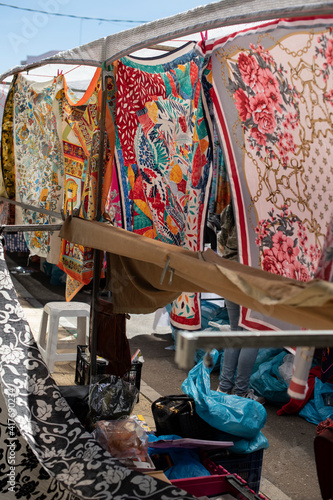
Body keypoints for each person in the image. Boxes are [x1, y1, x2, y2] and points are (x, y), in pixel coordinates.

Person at [216, 202, 265, 404]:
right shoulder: (262, 204)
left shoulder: (233, 204)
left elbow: (222, 237)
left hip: (229, 271)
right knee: (251, 334)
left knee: (236, 330)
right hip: (252, 275)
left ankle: (224, 387)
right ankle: (240, 391)